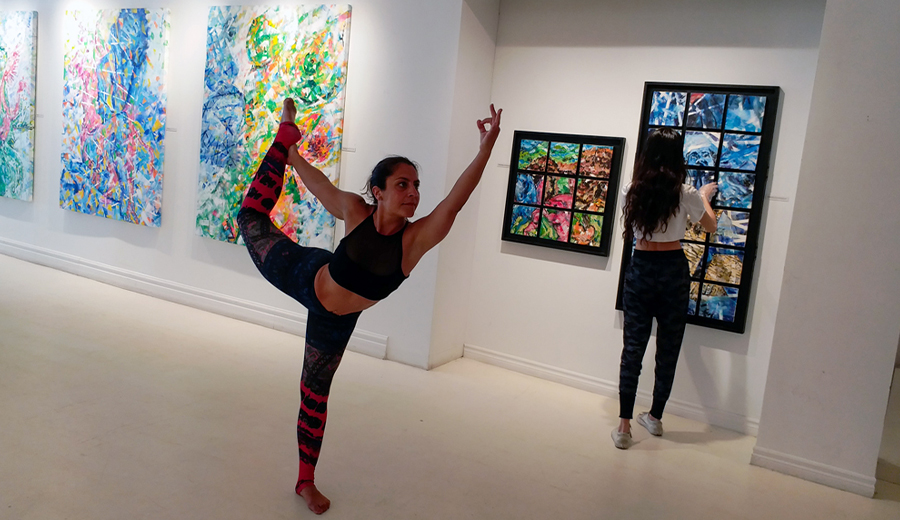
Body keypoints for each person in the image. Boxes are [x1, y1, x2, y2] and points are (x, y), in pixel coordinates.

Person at [237, 99, 502, 513]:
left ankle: (305, 481)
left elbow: (454, 200)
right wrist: (291, 154)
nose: (413, 193)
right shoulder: (355, 211)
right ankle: (284, 136)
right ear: (378, 192)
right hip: (305, 274)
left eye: (416, 186)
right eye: (402, 184)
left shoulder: (414, 241)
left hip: (335, 323)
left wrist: (485, 150)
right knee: (250, 219)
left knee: (314, 396)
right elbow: (318, 184)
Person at [611, 128, 717, 450]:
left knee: (633, 348)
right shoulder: (685, 192)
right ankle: (655, 417)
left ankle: (624, 426)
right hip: (673, 269)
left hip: (641, 267)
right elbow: (710, 225)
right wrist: (704, 196)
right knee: (668, 349)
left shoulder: (632, 189)